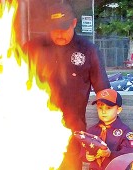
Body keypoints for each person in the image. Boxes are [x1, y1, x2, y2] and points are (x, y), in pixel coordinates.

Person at [22, 2, 110, 170]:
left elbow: (104, 92)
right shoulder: (32, 49)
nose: (60, 34)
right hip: (35, 127)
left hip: (72, 129)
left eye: (64, 28)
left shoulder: (88, 50)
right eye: (55, 29)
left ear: (74, 23)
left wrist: (108, 126)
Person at [81, 88, 133, 170]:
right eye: (100, 108)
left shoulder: (125, 132)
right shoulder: (92, 131)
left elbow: (130, 155)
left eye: (108, 108)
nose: (103, 112)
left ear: (118, 110)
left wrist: (110, 154)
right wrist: (86, 156)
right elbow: (83, 150)